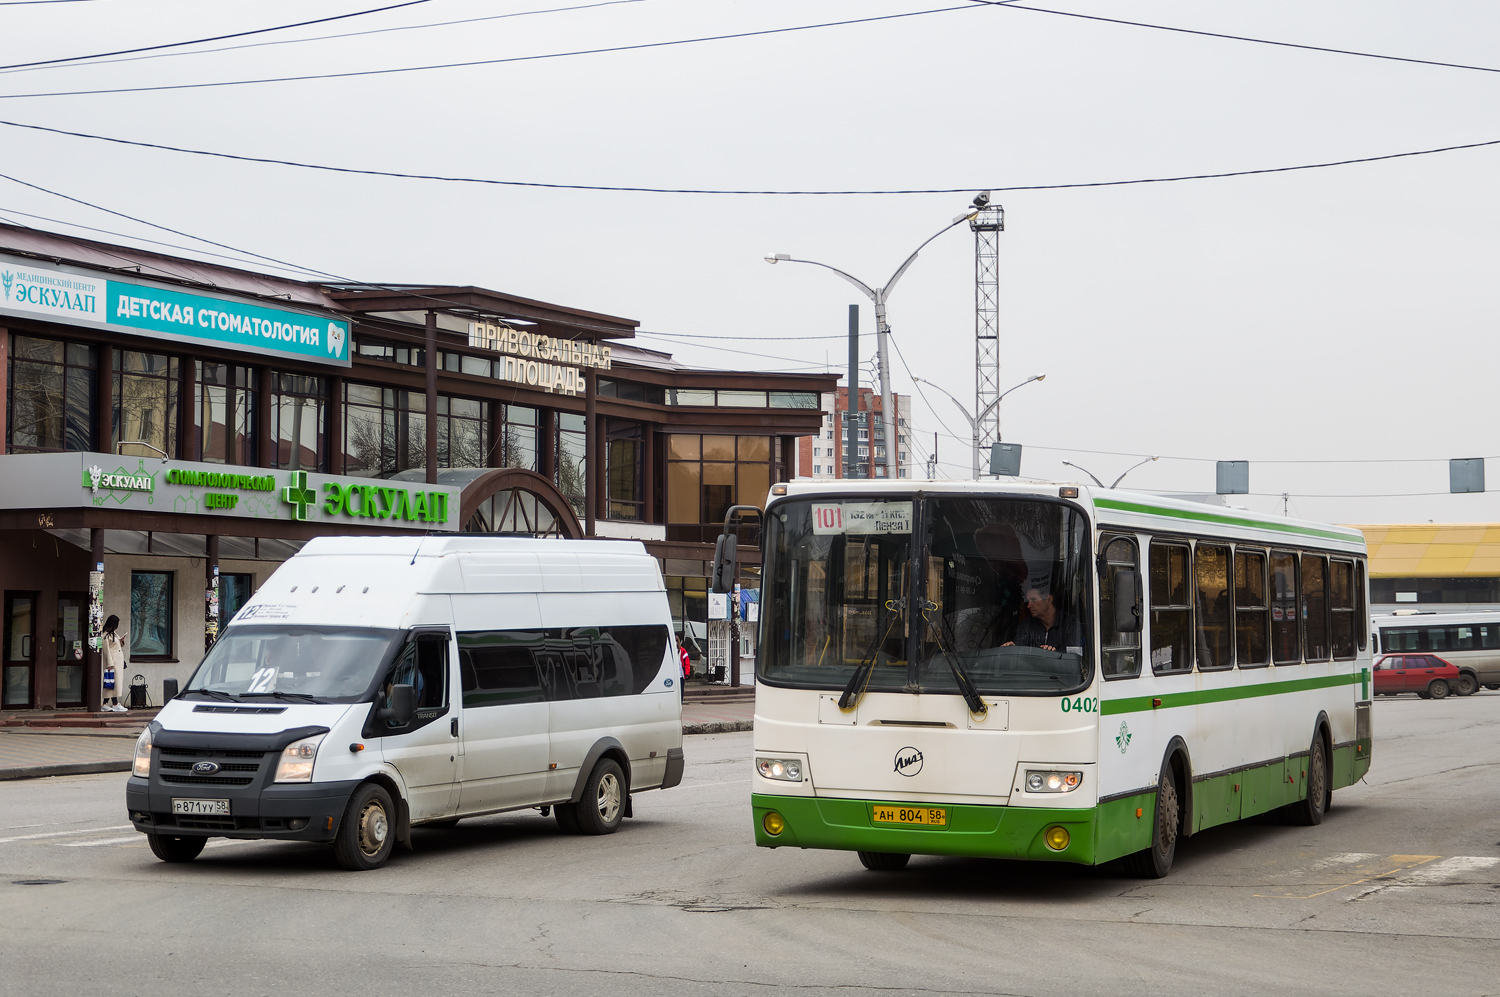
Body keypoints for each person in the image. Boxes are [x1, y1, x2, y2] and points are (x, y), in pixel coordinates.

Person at [1004, 587, 1080, 653]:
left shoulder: (1069, 623)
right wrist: (1014, 648)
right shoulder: (1027, 624)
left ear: (1049, 599)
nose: (1028, 605)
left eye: (1033, 599)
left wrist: (1056, 655)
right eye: (1028, 601)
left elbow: (1074, 655)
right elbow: (1021, 650)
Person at [100, 615, 129, 712]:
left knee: (111, 683)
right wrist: (109, 664)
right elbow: (106, 650)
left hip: (117, 661)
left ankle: (105, 704)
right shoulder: (105, 635)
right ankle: (115, 703)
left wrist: (121, 641)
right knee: (113, 683)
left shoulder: (113, 634)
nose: (117, 626)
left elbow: (115, 646)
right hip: (113, 662)